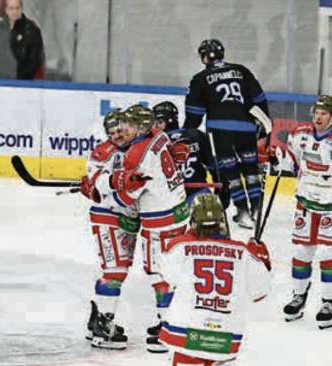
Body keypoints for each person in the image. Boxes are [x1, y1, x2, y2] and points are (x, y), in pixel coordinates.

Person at [263, 95, 332, 329]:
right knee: (302, 252)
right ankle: (298, 297)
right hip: (306, 202)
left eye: (323, 113)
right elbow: (292, 163)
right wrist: (275, 158)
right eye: (316, 112)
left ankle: (328, 303)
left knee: (327, 254)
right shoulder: (300, 134)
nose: (317, 117)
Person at [158, 193, 272, 366]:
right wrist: (263, 261)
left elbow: (167, 275)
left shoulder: (179, 246)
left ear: (192, 220)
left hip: (187, 336)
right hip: (225, 339)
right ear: (222, 220)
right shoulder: (244, 252)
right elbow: (260, 292)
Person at [109, 104, 189, 352]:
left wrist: (103, 190)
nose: (125, 129)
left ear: (142, 127)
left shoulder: (137, 154)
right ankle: (171, 321)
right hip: (179, 211)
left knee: (158, 273)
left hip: (160, 222)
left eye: (130, 125)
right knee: (173, 270)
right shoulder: (159, 135)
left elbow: (127, 199)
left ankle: (168, 327)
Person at [183, 39, 271, 230]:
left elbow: (194, 114)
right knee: (251, 169)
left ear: (204, 57)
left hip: (220, 129)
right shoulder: (241, 70)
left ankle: (243, 213)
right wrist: (264, 124)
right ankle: (257, 209)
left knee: (230, 172)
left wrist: (185, 134)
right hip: (247, 127)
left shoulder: (200, 78)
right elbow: (259, 99)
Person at [80, 110, 139, 350]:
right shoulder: (101, 153)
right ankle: (103, 326)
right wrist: (94, 185)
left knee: (120, 270)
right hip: (108, 215)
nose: (118, 136)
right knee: (114, 270)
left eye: (121, 130)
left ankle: (99, 317)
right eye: (113, 133)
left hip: (129, 217)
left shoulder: (139, 148)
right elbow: (97, 183)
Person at [152, 101, 229, 208]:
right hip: (198, 195)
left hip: (168, 199)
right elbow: (215, 165)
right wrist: (223, 187)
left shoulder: (154, 143)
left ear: (169, 120)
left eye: (159, 122)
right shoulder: (196, 135)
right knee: (210, 220)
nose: (155, 127)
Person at [0, 0, 45, 79]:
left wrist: (22, 76)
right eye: (11, 8)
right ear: (6, 10)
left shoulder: (31, 29)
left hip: (23, 81)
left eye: (17, 8)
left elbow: (36, 58)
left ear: (21, 9)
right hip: (0, 79)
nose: (15, 12)